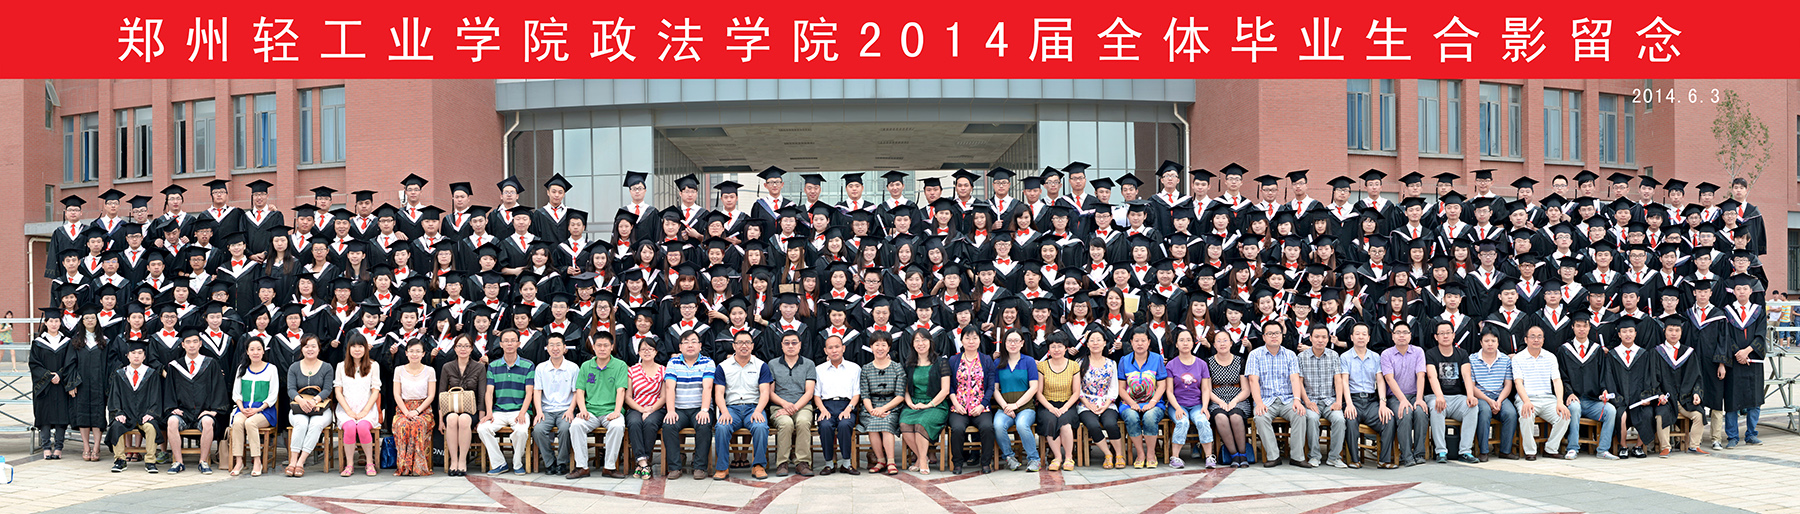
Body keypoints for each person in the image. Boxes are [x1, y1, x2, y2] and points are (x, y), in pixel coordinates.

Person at [1247, 321, 1309, 468]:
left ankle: (1297, 457)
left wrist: (1297, 400)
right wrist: (1259, 403)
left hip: (1287, 399)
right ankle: (1273, 456)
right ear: (1264, 337)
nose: (1274, 336)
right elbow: (1253, 381)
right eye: (1270, 333)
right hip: (1266, 400)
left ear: (1282, 335)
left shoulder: (1290, 355)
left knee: (1300, 414)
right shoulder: (1255, 355)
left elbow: (1295, 379)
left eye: (1277, 333)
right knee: (1260, 417)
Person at [712, 330, 772, 480]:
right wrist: (724, 412)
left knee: (760, 427)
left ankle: (758, 466)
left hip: (754, 407)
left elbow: (765, 392)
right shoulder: (723, 366)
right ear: (734, 346)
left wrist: (758, 411)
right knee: (722, 427)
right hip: (732, 408)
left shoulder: (761, 366)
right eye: (740, 343)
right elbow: (719, 393)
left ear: (752, 346)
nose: (743, 346)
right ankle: (722, 467)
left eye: (747, 343)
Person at [568, 333, 629, 479]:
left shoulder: (620, 365)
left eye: (606, 345)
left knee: (617, 426)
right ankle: (582, 467)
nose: (602, 349)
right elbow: (580, 391)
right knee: (576, 425)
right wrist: (582, 410)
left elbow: (621, 390)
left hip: (611, 411)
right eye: (599, 345)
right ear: (593, 347)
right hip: (591, 412)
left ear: (612, 347)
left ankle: (609, 467)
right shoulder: (586, 366)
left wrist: (617, 411)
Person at [165, 331, 225, 475]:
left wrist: (213, 410)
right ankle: (178, 462)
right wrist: (172, 408)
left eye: (195, 341)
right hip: (183, 412)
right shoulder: (175, 366)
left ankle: (203, 462)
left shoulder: (210, 364)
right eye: (188, 342)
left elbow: (218, 387)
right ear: (183, 345)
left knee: (208, 422)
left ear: (200, 344)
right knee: (172, 421)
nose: (192, 345)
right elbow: (169, 389)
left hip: (204, 411)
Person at [478, 329, 536, 475]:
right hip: (499, 411)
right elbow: (489, 392)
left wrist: (523, 413)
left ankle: (517, 463)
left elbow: (529, 393)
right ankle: (500, 463)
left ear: (518, 343)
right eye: (506, 341)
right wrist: (489, 413)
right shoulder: (493, 366)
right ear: (501, 344)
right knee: (482, 428)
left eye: (513, 341)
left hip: (519, 410)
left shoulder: (528, 365)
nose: (509, 344)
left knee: (521, 431)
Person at [1557, 320, 1616, 460]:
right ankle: (1572, 448)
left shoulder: (1597, 350)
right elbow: (1561, 376)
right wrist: (1569, 393)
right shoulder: (1564, 350)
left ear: (1590, 328)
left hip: (1592, 401)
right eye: (1578, 326)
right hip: (1573, 399)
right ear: (1572, 327)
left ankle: (1603, 450)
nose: (1581, 329)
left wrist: (1604, 390)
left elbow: (1603, 374)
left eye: (1585, 326)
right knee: (1574, 408)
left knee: (1611, 410)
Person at [662, 331, 717, 480]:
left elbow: (707, 387)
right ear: (680, 347)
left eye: (694, 341)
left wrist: (704, 410)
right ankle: (674, 467)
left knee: (704, 424)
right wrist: (671, 411)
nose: (690, 345)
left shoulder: (708, 362)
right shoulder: (673, 363)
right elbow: (670, 388)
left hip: (700, 408)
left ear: (700, 345)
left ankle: (700, 466)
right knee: (669, 425)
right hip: (679, 409)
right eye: (686, 342)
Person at [1424, 320, 1481, 464]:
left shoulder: (1462, 353)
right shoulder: (1430, 354)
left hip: (1457, 398)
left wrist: (1470, 396)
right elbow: (1432, 376)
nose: (1445, 336)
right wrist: (1439, 396)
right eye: (1441, 333)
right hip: (1435, 395)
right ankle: (1441, 451)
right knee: (1436, 407)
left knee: (1472, 407)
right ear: (1436, 337)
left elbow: (1466, 375)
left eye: (1448, 333)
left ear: (1453, 335)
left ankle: (1465, 451)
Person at [1513, 325, 1573, 460]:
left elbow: (1557, 381)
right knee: (1526, 415)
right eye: (1532, 337)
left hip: (1547, 399)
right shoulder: (1518, 358)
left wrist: (1560, 402)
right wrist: (1526, 401)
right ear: (1526, 339)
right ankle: (1530, 451)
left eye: (1539, 337)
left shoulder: (1550, 357)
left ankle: (1550, 449)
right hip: (1527, 398)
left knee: (1564, 416)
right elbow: (1518, 382)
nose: (1536, 340)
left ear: (1543, 340)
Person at [1720, 276, 1766, 447]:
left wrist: (1747, 351)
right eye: (1738, 289)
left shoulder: (1758, 310)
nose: (1741, 292)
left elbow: (1761, 334)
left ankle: (1751, 434)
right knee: (1732, 399)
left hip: (1753, 360)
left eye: (1745, 289)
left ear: (1751, 291)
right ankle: (1732, 436)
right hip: (1734, 361)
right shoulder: (1726, 311)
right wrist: (1737, 353)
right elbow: (1725, 336)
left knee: (1755, 399)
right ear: (1733, 291)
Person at [945, 326, 997, 474]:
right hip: (959, 406)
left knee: (987, 427)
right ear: (962, 341)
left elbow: (990, 387)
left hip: (980, 406)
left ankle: (985, 462)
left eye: (974, 338)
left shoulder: (986, 360)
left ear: (979, 341)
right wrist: (956, 403)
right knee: (957, 429)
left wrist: (982, 405)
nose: (971, 341)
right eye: (967, 338)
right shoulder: (954, 360)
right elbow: (950, 386)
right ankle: (957, 463)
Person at [1341, 323, 1394, 468]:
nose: (1361, 337)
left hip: (1371, 402)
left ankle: (1384, 460)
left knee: (1388, 420)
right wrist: (1349, 404)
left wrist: (1383, 404)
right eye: (1357, 334)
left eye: (1364, 334)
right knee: (1350, 420)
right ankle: (1354, 459)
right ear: (1351, 337)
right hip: (1354, 400)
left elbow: (1380, 381)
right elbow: (1344, 382)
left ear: (1369, 338)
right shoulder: (1345, 357)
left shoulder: (1376, 357)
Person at [1294, 325, 1348, 469]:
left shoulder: (1333, 355)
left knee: (1339, 420)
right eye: (1317, 337)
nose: (1320, 340)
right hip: (1311, 400)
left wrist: (1338, 401)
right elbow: (1299, 382)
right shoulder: (1301, 357)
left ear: (1328, 339)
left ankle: (1334, 457)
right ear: (1310, 338)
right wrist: (1307, 401)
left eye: (1324, 337)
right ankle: (1314, 456)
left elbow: (1338, 380)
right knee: (1311, 419)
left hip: (1330, 400)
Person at [227, 338, 280, 476]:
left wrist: (258, 409)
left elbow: (273, 395)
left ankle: (257, 460)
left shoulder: (271, 369)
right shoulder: (242, 369)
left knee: (250, 423)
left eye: (258, 349)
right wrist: (241, 408)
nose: (255, 352)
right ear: (247, 352)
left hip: (264, 411)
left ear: (263, 351)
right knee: (237, 422)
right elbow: (236, 393)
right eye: (252, 349)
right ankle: (239, 461)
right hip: (244, 408)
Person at [766, 332, 817, 476]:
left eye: (794, 343)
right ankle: (782, 463)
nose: (790, 346)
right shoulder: (772, 364)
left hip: (803, 406)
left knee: (803, 421)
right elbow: (770, 392)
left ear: (800, 345)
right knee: (786, 424)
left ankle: (802, 462)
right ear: (781, 346)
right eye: (786, 343)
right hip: (779, 406)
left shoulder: (809, 364)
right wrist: (785, 404)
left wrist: (793, 408)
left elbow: (809, 392)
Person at [899, 330, 950, 474]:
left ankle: (921, 461)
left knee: (921, 423)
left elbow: (945, 390)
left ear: (930, 342)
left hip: (936, 405)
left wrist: (928, 405)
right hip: (915, 404)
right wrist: (909, 403)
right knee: (904, 423)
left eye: (924, 340)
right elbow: (906, 390)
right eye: (917, 340)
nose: (920, 344)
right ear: (912, 344)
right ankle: (923, 457)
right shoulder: (909, 364)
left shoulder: (941, 362)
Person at [1379, 322, 1429, 466]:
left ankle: (1419, 453)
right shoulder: (1386, 354)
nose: (1402, 335)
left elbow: (1421, 375)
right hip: (1395, 398)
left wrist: (1419, 398)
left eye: (1405, 332)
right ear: (1393, 336)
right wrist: (1402, 400)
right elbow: (1389, 379)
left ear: (1410, 336)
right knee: (1405, 413)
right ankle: (1406, 456)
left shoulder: (1418, 352)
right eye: (1398, 332)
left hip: (1414, 395)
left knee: (1421, 412)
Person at [107, 344, 162, 474]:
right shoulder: (120, 374)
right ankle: (120, 460)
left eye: (140, 353)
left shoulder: (151, 374)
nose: (136, 356)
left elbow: (156, 396)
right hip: (126, 415)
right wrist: (118, 413)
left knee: (151, 427)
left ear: (144, 356)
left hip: (145, 415)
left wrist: (151, 413)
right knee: (116, 426)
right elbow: (114, 396)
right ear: (128, 356)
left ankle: (150, 461)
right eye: (133, 353)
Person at [1164, 329, 1215, 469]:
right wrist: (1177, 408)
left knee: (1202, 421)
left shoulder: (1202, 364)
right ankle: (1175, 457)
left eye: (1188, 340)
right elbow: (1169, 391)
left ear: (1193, 343)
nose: (1185, 343)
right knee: (1182, 422)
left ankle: (1209, 457)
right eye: (1181, 340)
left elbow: (1205, 389)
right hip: (1177, 404)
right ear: (1176, 344)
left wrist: (1205, 407)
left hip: (1197, 404)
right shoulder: (1171, 365)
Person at [437, 334, 487, 477]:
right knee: (452, 418)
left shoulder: (479, 367)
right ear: (455, 348)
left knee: (464, 419)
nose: (463, 349)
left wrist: (481, 419)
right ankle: (454, 460)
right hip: (451, 409)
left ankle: (462, 460)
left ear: (471, 349)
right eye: (459, 346)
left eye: (466, 346)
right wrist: (441, 420)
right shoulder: (447, 367)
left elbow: (482, 395)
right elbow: (441, 394)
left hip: (472, 411)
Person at [529, 335, 579, 476]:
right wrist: (539, 412)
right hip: (546, 410)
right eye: (551, 345)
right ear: (547, 348)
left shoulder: (573, 368)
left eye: (558, 345)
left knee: (565, 429)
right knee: (538, 430)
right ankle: (550, 462)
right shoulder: (541, 368)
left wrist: (571, 410)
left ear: (564, 348)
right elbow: (537, 391)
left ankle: (562, 462)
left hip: (565, 409)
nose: (555, 348)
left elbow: (576, 392)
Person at [1117, 328, 1167, 469]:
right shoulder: (1124, 360)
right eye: (1136, 340)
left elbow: (1162, 385)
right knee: (1132, 417)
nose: (1140, 344)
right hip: (1129, 403)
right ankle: (1140, 454)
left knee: (1149, 417)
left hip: (1154, 403)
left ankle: (1151, 454)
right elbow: (1121, 388)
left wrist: (1152, 402)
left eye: (1143, 340)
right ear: (1131, 342)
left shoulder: (1157, 359)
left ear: (1149, 342)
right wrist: (1131, 403)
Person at [285, 336, 334, 477]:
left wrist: (314, 400)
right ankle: (293, 461)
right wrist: (301, 401)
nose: (310, 349)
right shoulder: (294, 367)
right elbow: (291, 389)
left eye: (313, 346)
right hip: (299, 406)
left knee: (316, 424)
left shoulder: (327, 367)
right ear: (302, 349)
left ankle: (301, 462)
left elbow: (327, 389)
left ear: (319, 348)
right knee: (301, 423)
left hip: (320, 407)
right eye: (306, 346)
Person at [334, 334, 383, 477]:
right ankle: (349, 464)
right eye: (354, 346)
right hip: (346, 409)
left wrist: (365, 411)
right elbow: (338, 391)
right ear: (348, 348)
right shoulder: (341, 366)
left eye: (360, 346)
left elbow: (375, 391)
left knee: (362, 427)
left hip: (367, 409)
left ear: (366, 348)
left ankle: (369, 463)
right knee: (349, 427)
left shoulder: (373, 366)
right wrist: (348, 411)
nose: (357, 349)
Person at [814, 336, 862, 475]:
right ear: (825, 351)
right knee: (825, 425)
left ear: (843, 348)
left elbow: (856, 393)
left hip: (847, 405)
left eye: (837, 347)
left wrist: (849, 409)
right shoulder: (819, 369)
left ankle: (846, 463)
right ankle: (829, 464)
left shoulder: (854, 368)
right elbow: (816, 394)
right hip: (826, 405)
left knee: (845, 425)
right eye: (830, 348)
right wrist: (822, 410)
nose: (834, 350)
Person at [1034, 333, 1083, 472]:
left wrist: (1065, 407)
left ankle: (1068, 457)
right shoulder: (1042, 366)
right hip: (1047, 404)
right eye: (1053, 347)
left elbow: (1076, 392)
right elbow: (1039, 392)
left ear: (1066, 348)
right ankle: (1057, 457)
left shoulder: (1073, 365)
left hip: (1067, 404)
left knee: (1065, 423)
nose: (1056, 350)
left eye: (1060, 346)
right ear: (1048, 349)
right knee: (1050, 421)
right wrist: (1050, 407)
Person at [29, 309, 73, 460]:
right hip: (44, 386)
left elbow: (70, 362)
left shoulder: (67, 342)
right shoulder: (38, 342)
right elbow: (34, 364)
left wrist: (60, 374)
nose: (54, 324)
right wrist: (48, 376)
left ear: (60, 323)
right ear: (46, 323)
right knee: (44, 416)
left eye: (56, 321)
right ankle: (46, 447)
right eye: (51, 321)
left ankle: (59, 447)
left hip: (61, 384)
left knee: (62, 416)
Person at [1467, 330, 1519, 460]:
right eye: (1486, 341)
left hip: (1500, 396)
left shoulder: (1505, 360)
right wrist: (1489, 400)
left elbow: (1508, 384)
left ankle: (1505, 450)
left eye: (1493, 341)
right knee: (1484, 413)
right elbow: (1471, 386)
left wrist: (1499, 401)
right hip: (1481, 396)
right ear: (1481, 343)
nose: (1490, 344)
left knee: (1511, 413)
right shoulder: (1472, 359)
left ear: (1498, 343)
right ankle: (1483, 451)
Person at [1654, 323, 1704, 455]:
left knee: (1699, 415)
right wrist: (1659, 394)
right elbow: (1652, 378)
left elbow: (1696, 376)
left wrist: (1696, 393)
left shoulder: (1688, 352)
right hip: (1666, 399)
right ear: (1664, 331)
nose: (1673, 333)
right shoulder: (1657, 352)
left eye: (1677, 330)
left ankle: (1694, 445)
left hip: (1685, 399)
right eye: (1670, 330)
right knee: (1661, 415)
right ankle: (1665, 447)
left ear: (1681, 332)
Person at [392, 339, 438, 476]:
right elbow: (397, 394)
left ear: (423, 354)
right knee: (403, 424)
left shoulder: (429, 370)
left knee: (418, 423)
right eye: (411, 351)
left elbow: (431, 395)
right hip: (403, 409)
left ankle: (418, 466)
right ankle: (404, 467)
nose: (414, 354)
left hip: (423, 410)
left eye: (418, 351)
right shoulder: (399, 370)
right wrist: (406, 412)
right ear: (406, 353)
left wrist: (417, 411)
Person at [1205, 330, 1251, 468]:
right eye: (1218, 341)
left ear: (1231, 343)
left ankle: (1243, 454)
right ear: (1214, 345)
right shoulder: (1208, 362)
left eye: (1225, 340)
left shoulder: (1240, 360)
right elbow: (1207, 389)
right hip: (1216, 399)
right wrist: (1220, 402)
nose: (1222, 344)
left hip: (1238, 398)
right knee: (1221, 417)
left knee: (1235, 417)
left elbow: (1246, 389)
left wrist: (1235, 401)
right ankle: (1233, 455)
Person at [622, 337, 665, 479]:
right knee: (634, 422)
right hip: (636, 407)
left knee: (650, 423)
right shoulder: (632, 370)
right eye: (643, 349)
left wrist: (651, 409)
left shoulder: (663, 370)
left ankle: (642, 463)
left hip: (657, 408)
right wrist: (642, 410)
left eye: (650, 349)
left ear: (656, 352)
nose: (647, 352)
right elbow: (628, 397)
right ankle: (643, 462)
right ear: (638, 352)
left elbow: (663, 397)